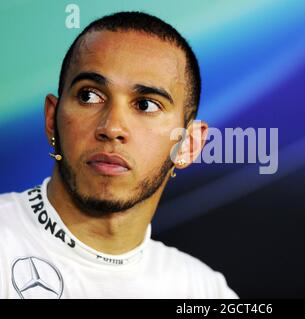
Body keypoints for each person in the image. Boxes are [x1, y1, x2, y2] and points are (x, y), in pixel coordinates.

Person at [0, 11, 238, 299]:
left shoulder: (204, 290)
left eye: (146, 105)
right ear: (52, 118)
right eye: (89, 95)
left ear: (188, 145)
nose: (112, 127)